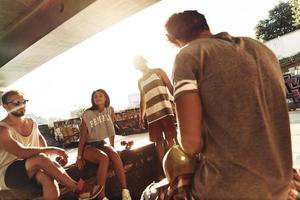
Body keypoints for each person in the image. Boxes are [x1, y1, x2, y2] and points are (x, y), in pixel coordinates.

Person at [163, 10, 293, 199]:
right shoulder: (261, 49)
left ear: (171, 38)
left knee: (173, 162)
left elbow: (191, 143)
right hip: (281, 183)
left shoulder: (188, 55)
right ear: (204, 25)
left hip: (229, 189)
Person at [0, 90, 102, 200]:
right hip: (9, 174)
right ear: (5, 106)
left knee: (50, 183)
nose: (21, 105)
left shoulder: (32, 123)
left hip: (32, 168)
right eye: (16, 102)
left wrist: (50, 163)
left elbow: (41, 145)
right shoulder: (3, 128)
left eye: (23, 102)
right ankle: (77, 188)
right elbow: (21, 152)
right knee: (41, 158)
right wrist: (53, 149)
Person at [76, 89, 131, 200]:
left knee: (114, 155)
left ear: (105, 98)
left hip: (101, 142)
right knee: (104, 158)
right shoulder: (88, 113)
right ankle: (101, 197)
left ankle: (125, 191)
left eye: (100, 95)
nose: (97, 98)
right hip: (88, 146)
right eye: (95, 96)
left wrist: (112, 147)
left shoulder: (110, 110)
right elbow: (82, 137)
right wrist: (79, 157)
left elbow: (111, 130)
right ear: (93, 100)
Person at [133, 55, 177, 168]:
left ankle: (176, 164)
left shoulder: (158, 71)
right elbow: (143, 100)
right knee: (158, 142)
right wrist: (141, 117)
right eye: (136, 64)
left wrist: (178, 101)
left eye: (140, 62)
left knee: (170, 138)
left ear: (145, 61)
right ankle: (165, 168)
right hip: (152, 116)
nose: (139, 64)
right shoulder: (140, 81)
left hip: (165, 110)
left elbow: (170, 87)